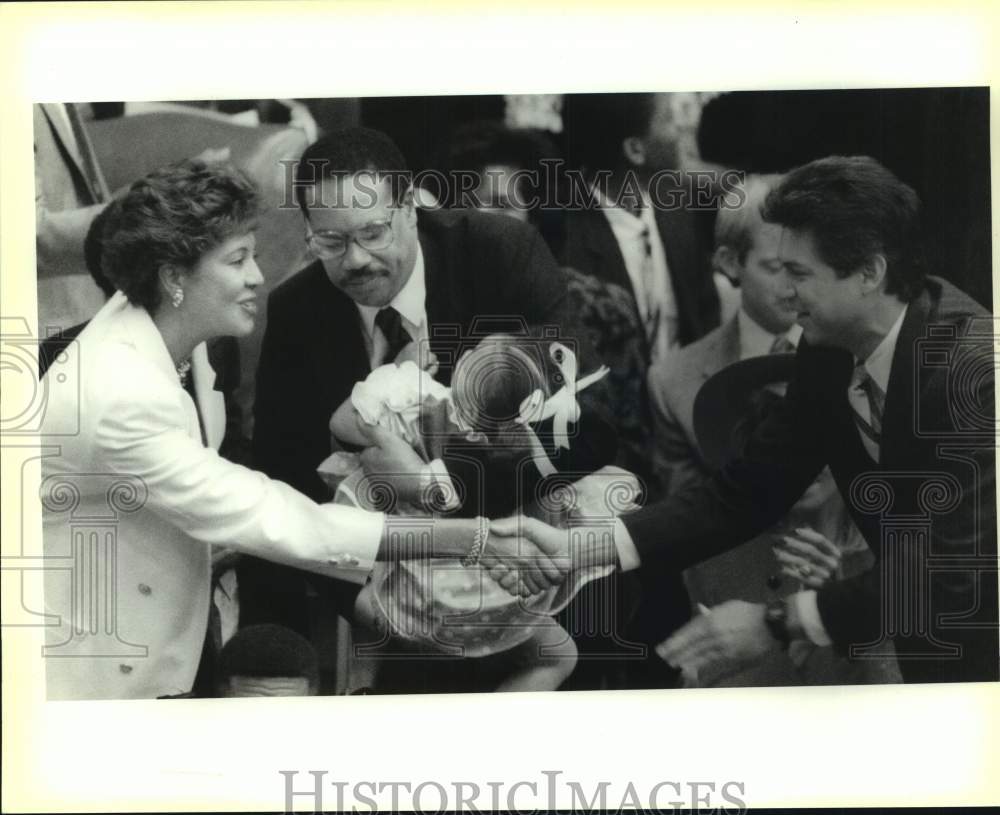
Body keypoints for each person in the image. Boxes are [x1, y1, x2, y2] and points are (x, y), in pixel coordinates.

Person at [38, 160, 561, 701]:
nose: (258, 277)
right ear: (173, 277)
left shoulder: (182, 335)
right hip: (88, 671)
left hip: (159, 640)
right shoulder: (120, 391)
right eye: (237, 260)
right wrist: (471, 538)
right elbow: (278, 518)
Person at [494, 155, 998, 685]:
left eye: (800, 274)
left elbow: (954, 571)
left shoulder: (974, 369)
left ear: (870, 272)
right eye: (778, 269)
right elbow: (744, 492)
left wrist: (778, 622)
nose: (787, 292)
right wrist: (583, 547)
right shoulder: (830, 349)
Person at [243, 127, 600, 648]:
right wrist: (362, 604)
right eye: (331, 241)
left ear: (410, 207)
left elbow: (583, 419)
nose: (355, 259)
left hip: (538, 576)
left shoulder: (497, 251)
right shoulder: (298, 309)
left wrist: (436, 480)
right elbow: (283, 481)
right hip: (390, 605)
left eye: (373, 232)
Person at [330, 336, 628, 692]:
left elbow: (342, 424)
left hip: (422, 598)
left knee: (364, 507)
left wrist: (397, 371)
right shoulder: (522, 456)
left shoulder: (415, 402)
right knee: (560, 656)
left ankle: (362, 685)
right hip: (501, 598)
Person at [560, 92, 721, 368]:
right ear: (635, 149)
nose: (684, 126)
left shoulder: (678, 206)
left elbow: (706, 314)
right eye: (669, 119)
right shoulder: (564, 239)